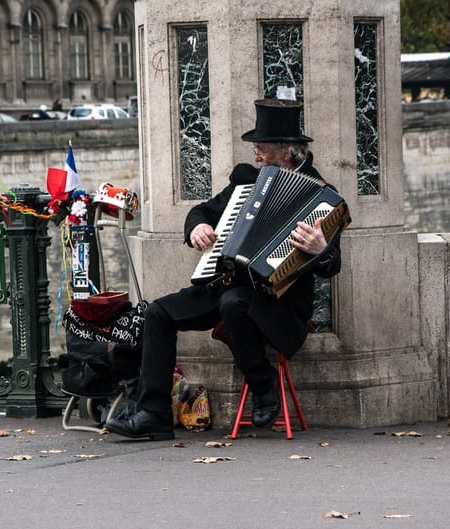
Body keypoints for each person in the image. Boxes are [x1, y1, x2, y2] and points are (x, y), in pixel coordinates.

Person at [105, 98, 343, 440]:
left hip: (280, 301)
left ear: (286, 152)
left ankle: (264, 386)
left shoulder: (321, 197)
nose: (255, 155)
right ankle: (152, 414)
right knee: (158, 312)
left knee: (234, 303)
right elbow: (201, 211)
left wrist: (320, 250)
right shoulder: (247, 184)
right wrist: (196, 229)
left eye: (260, 148)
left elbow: (331, 266)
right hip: (225, 284)